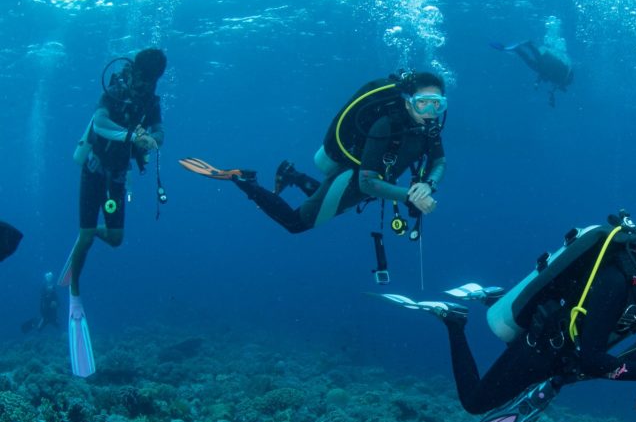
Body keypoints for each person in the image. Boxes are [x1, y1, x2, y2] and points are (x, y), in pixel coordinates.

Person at [381, 215, 636, 422]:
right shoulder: (617, 284)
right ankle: (455, 322)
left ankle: (490, 296)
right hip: (538, 351)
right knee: (474, 402)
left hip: (557, 356)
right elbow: (592, 359)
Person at [179, 71, 447, 235]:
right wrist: (410, 197)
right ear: (407, 101)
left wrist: (428, 185)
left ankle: (292, 175)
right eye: (422, 103)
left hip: (368, 185)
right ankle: (244, 180)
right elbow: (366, 182)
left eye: (437, 105)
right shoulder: (386, 125)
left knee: (328, 205)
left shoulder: (429, 128)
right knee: (296, 224)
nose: (429, 111)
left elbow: (439, 160)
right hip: (351, 179)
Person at [60, 47, 167, 377]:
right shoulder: (115, 90)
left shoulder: (151, 101)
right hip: (93, 171)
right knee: (86, 237)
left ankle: (87, 236)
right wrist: (131, 135)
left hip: (119, 177)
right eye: (145, 78)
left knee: (116, 239)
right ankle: (75, 299)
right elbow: (100, 122)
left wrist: (151, 139)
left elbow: (160, 131)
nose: (147, 85)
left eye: (153, 80)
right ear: (136, 71)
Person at [491, 40, 573, 107]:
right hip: (547, 66)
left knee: (530, 62)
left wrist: (537, 82)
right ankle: (528, 45)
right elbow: (550, 74)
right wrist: (540, 81)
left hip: (543, 69)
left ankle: (519, 49)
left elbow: (548, 78)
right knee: (536, 59)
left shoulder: (559, 80)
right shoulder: (561, 78)